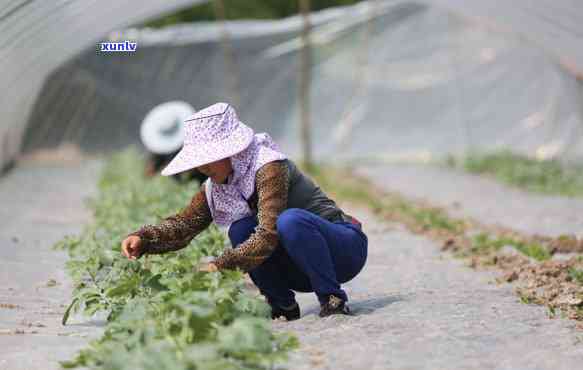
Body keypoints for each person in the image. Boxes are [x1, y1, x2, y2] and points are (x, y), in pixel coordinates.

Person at [121, 102, 368, 320]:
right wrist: (143, 239)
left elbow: (268, 234)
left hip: (342, 252)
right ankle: (282, 305)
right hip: (300, 267)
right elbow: (185, 224)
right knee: (241, 229)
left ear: (232, 151)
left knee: (289, 221)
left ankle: (333, 299)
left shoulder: (269, 167)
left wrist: (219, 265)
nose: (203, 167)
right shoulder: (218, 186)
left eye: (210, 157)